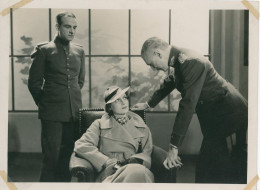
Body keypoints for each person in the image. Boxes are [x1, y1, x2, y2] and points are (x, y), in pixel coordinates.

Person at [132, 36, 248, 183]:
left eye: (152, 64)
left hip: (230, 111)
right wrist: (148, 104)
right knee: (218, 162)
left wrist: (174, 147)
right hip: (218, 113)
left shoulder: (190, 62)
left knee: (208, 164)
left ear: (158, 54)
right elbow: (170, 82)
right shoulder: (177, 60)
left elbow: (188, 104)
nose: (153, 69)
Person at [28, 12, 85, 182]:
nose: (72, 31)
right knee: (51, 158)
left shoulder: (79, 50)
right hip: (51, 114)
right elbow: (34, 84)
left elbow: (80, 82)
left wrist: (69, 102)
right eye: (67, 26)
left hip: (73, 113)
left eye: (74, 27)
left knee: (68, 158)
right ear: (57, 27)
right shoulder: (44, 50)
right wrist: (47, 103)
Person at [74, 86, 154, 183]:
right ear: (110, 107)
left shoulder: (140, 125)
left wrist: (136, 160)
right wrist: (106, 161)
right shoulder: (99, 124)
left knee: (140, 172)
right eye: (117, 100)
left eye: (124, 98)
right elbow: (81, 145)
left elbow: (147, 152)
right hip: (112, 173)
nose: (123, 102)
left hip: (137, 169)